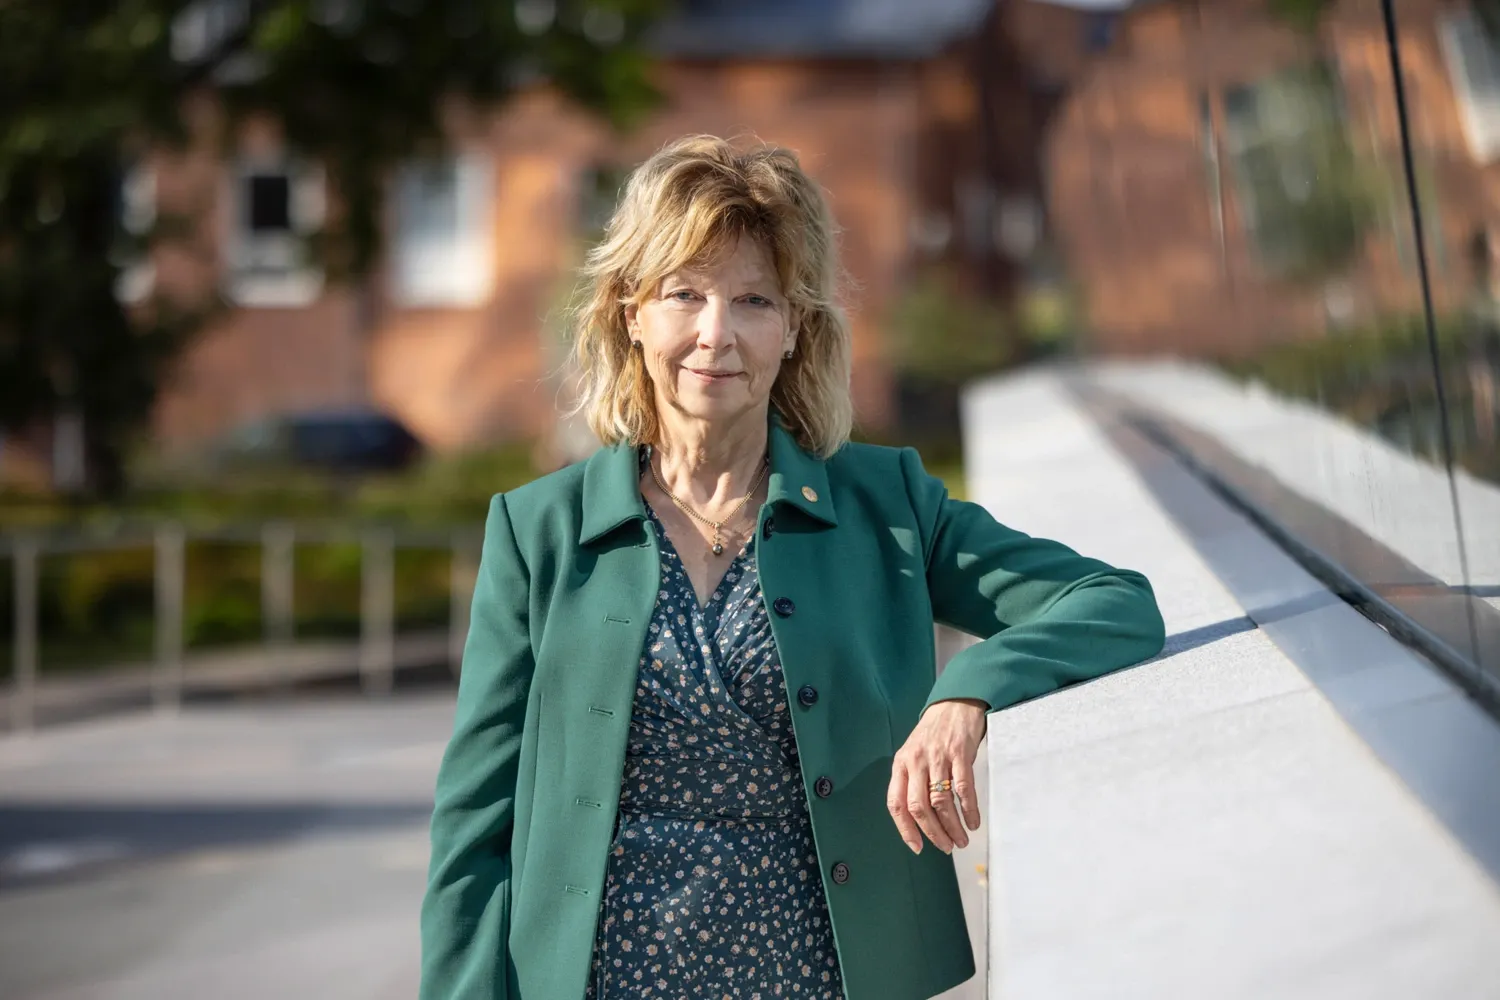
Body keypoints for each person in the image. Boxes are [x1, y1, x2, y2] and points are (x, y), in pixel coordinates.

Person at [419, 135, 1166, 1000]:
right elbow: (476, 825)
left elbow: (1115, 602)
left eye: (752, 300)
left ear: (794, 328)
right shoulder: (537, 532)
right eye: (683, 295)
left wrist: (969, 691)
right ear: (631, 313)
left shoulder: (885, 506)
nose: (715, 333)